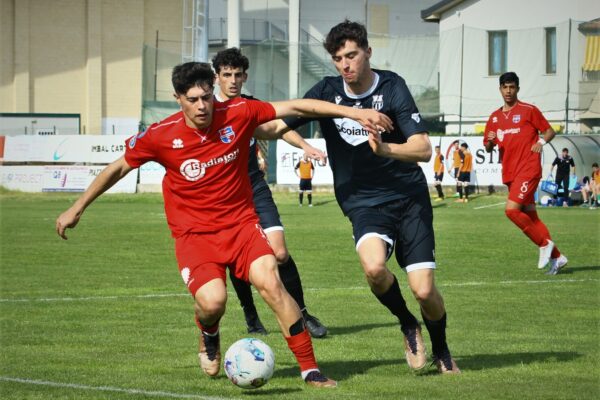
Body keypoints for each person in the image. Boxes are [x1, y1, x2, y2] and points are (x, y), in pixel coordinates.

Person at [55, 61, 393, 387]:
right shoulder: (160, 135)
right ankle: (209, 333)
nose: (203, 106)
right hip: (195, 237)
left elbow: (299, 106)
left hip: (242, 226)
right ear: (178, 99)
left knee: (273, 285)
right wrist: (78, 207)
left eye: (207, 97)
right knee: (213, 302)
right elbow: (118, 167)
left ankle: (310, 370)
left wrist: (354, 111)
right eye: (193, 100)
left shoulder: (238, 112)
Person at [271, 20, 460, 374]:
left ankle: (442, 348)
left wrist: (385, 148)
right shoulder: (327, 91)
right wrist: (242, 118)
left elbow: (422, 149)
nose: (346, 64)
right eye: (338, 58)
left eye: (352, 55)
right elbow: (274, 127)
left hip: (408, 197)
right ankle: (407, 323)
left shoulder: (392, 87)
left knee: (423, 290)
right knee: (374, 268)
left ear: (368, 52)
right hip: (362, 202)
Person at [212, 47, 328, 338]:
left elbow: (278, 127)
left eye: (238, 75)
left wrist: (306, 146)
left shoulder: (251, 106)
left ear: (245, 76)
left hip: (254, 186)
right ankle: (251, 317)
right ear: (217, 78)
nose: (233, 80)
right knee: (236, 260)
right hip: (224, 195)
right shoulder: (206, 109)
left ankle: (302, 314)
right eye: (227, 75)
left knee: (279, 252)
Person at [484, 71, 568, 275]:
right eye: (505, 87)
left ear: (518, 89)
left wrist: (540, 142)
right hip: (510, 172)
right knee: (531, 217)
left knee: (511, 211)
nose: (508, 91)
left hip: (528, 169)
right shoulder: (494, 117)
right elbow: (487, 146)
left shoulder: (529, 110)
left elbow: (549, 131)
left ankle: (543, 244)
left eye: (512, 87)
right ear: (500, 89)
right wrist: (491, 141)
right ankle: (558, 257)